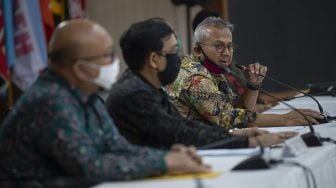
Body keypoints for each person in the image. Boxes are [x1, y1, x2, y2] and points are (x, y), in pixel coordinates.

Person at [0, 19, 212, 185]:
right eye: (107, 56)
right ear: (80, 68)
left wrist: (169, 156)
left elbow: (116, 146)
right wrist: (164, 162)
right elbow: (90, 166)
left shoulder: (85, 94)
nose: (115, 63)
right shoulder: (48, 101)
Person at [105, 18, 295, 150]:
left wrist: (238, 136)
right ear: (154, 60)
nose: (179, 59)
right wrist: (246, 141)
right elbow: (180, 134)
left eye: (229, 46)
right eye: (173, 52)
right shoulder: (135, 93)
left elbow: (182, 127)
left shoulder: (146, 86)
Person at [167, 17, 323, 129]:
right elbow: (227, 118)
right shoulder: (195, 77)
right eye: (218, 46)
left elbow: (238, 109)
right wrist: (285, 119)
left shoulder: (214, 70)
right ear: (197, 50)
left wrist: (253, 85)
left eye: (229, 46)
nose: (227, 53)